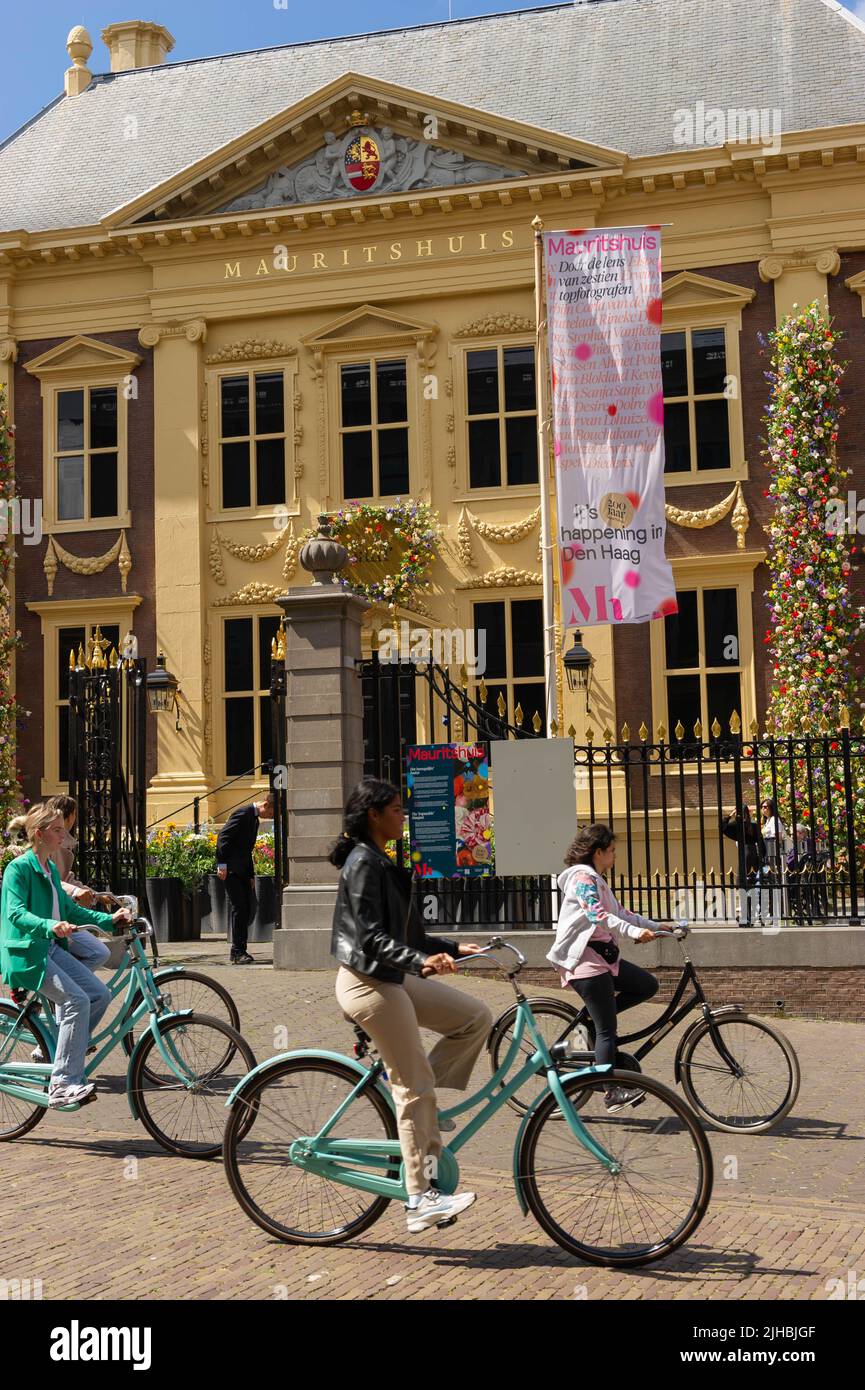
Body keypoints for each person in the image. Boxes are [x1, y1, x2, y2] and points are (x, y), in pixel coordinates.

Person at [331, 778, 491, 1235]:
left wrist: (456, 948)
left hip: (393, 974)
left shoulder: (381, 859)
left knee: (474, 1018)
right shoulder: (363, 862)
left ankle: (418, 1105)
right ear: (373, 815)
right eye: (397, 809)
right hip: (367, 983)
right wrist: (423, 963)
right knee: (415, 1084)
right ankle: (420, 1198)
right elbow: (371, 940)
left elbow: (407, 936)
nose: (404, 815)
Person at [0, 804, 132, 1107]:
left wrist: (108, 920)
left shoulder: (46, 869)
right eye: (57, 830)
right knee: (77, 1000)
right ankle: (62, 1084)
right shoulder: (18, 869)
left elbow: (70, 909)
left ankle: (64, 1053)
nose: (64, 835)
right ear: (39, 834)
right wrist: (50, 924)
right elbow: (15, 914)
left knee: (98, 994)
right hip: (26, 953)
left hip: (49, 949)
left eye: (63, 829)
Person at [546, 822, 661, 1113]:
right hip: (584, 962)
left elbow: (620, 913)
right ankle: (611, 1092)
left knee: (647, 985)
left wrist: (658, 927)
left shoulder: (597, 879)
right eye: (611, 851)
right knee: (608, 1029)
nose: (614, 856)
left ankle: (593, 1022)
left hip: (604, 959)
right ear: (598, 852)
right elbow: (597, 916)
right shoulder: (582, 879)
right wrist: (634, 933)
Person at [42, 795, 111, 972]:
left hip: (64, 912)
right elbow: (52, 880)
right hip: (50, 919)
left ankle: (71, 987)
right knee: (98, 952)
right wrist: (76, 892)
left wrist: (96, 895)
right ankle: (69, 988)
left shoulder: (63, 845)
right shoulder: (44, 849)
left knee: (99, 952)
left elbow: (66, 878)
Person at [216, 793, 273, 964]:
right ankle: (237, 951)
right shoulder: (243, 813)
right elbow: (223, 837)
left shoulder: (253, 818)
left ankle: (239, 950)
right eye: (270, 814)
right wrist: (222, 864)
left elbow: (246, 850)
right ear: (265, 805)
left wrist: (250, 875)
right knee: (239, 909)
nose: (269, 817)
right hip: (232, 870)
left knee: (245, 909)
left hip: (242, 871)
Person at [722, 804, 767, 926]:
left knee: (743, 886)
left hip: (744, 856)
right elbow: (762, 845)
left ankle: (745, 917)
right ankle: (750, 916)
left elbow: (722, 826)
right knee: (751, 886)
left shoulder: (737, 826)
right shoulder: (753, 826)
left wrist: (729, 816)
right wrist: (761, 859)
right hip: (753, 855)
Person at [760, 798, 788, 924]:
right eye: (762, 807)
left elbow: (778, 837)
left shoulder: (775, 820)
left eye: (766, 807)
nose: (764, 809)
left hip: (773, 852)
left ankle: (779, 910)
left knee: (774, 880)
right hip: (767, 851)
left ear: (772, 808)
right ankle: (771, 911)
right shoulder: (767, 821)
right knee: (769, 881)